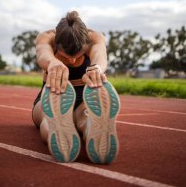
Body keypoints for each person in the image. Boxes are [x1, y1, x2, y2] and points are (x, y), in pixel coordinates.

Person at [32, 11, 120, 164]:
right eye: (65, 56)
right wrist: (52, 63)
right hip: (53, 94)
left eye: (78, 55)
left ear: (86, 44)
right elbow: (42, 54)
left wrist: (96, 68)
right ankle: (59, 129)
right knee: (48, 118)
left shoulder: (94, 37)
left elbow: (100, 55)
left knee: (86, 118)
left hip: (85, 96)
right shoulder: (46, 37)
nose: (72, 61)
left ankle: (93, 130)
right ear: (56, 45)